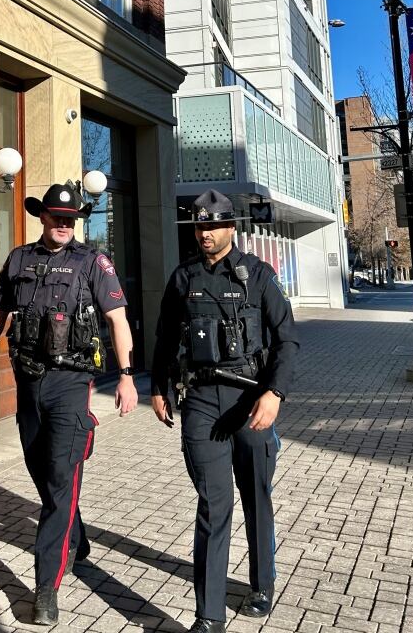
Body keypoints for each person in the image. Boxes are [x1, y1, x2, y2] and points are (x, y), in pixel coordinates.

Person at [0, 183, 139, 626]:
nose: (64, 224)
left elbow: (118, 320)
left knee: (60, 480)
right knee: (41, 469)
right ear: (42, 217)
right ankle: (74, 537)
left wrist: (127, 376)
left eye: (71, 218)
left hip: (71, 383)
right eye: (56, 216)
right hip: (28, 382)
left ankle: (46, 588)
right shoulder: (19, 259)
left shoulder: (92, 262)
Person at [151, 190, 299, 633]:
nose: (206, 233)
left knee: (256, 497)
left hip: (251, 401)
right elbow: (163, 339)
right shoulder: (183, 277)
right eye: (199, 226)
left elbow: (287, 341)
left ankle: (261, 584)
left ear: (230, 228)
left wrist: (274, 394)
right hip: (201, 400)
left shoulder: (257, 275)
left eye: (213, 225)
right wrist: (160, 388)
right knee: (213, 504)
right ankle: (209, 614)